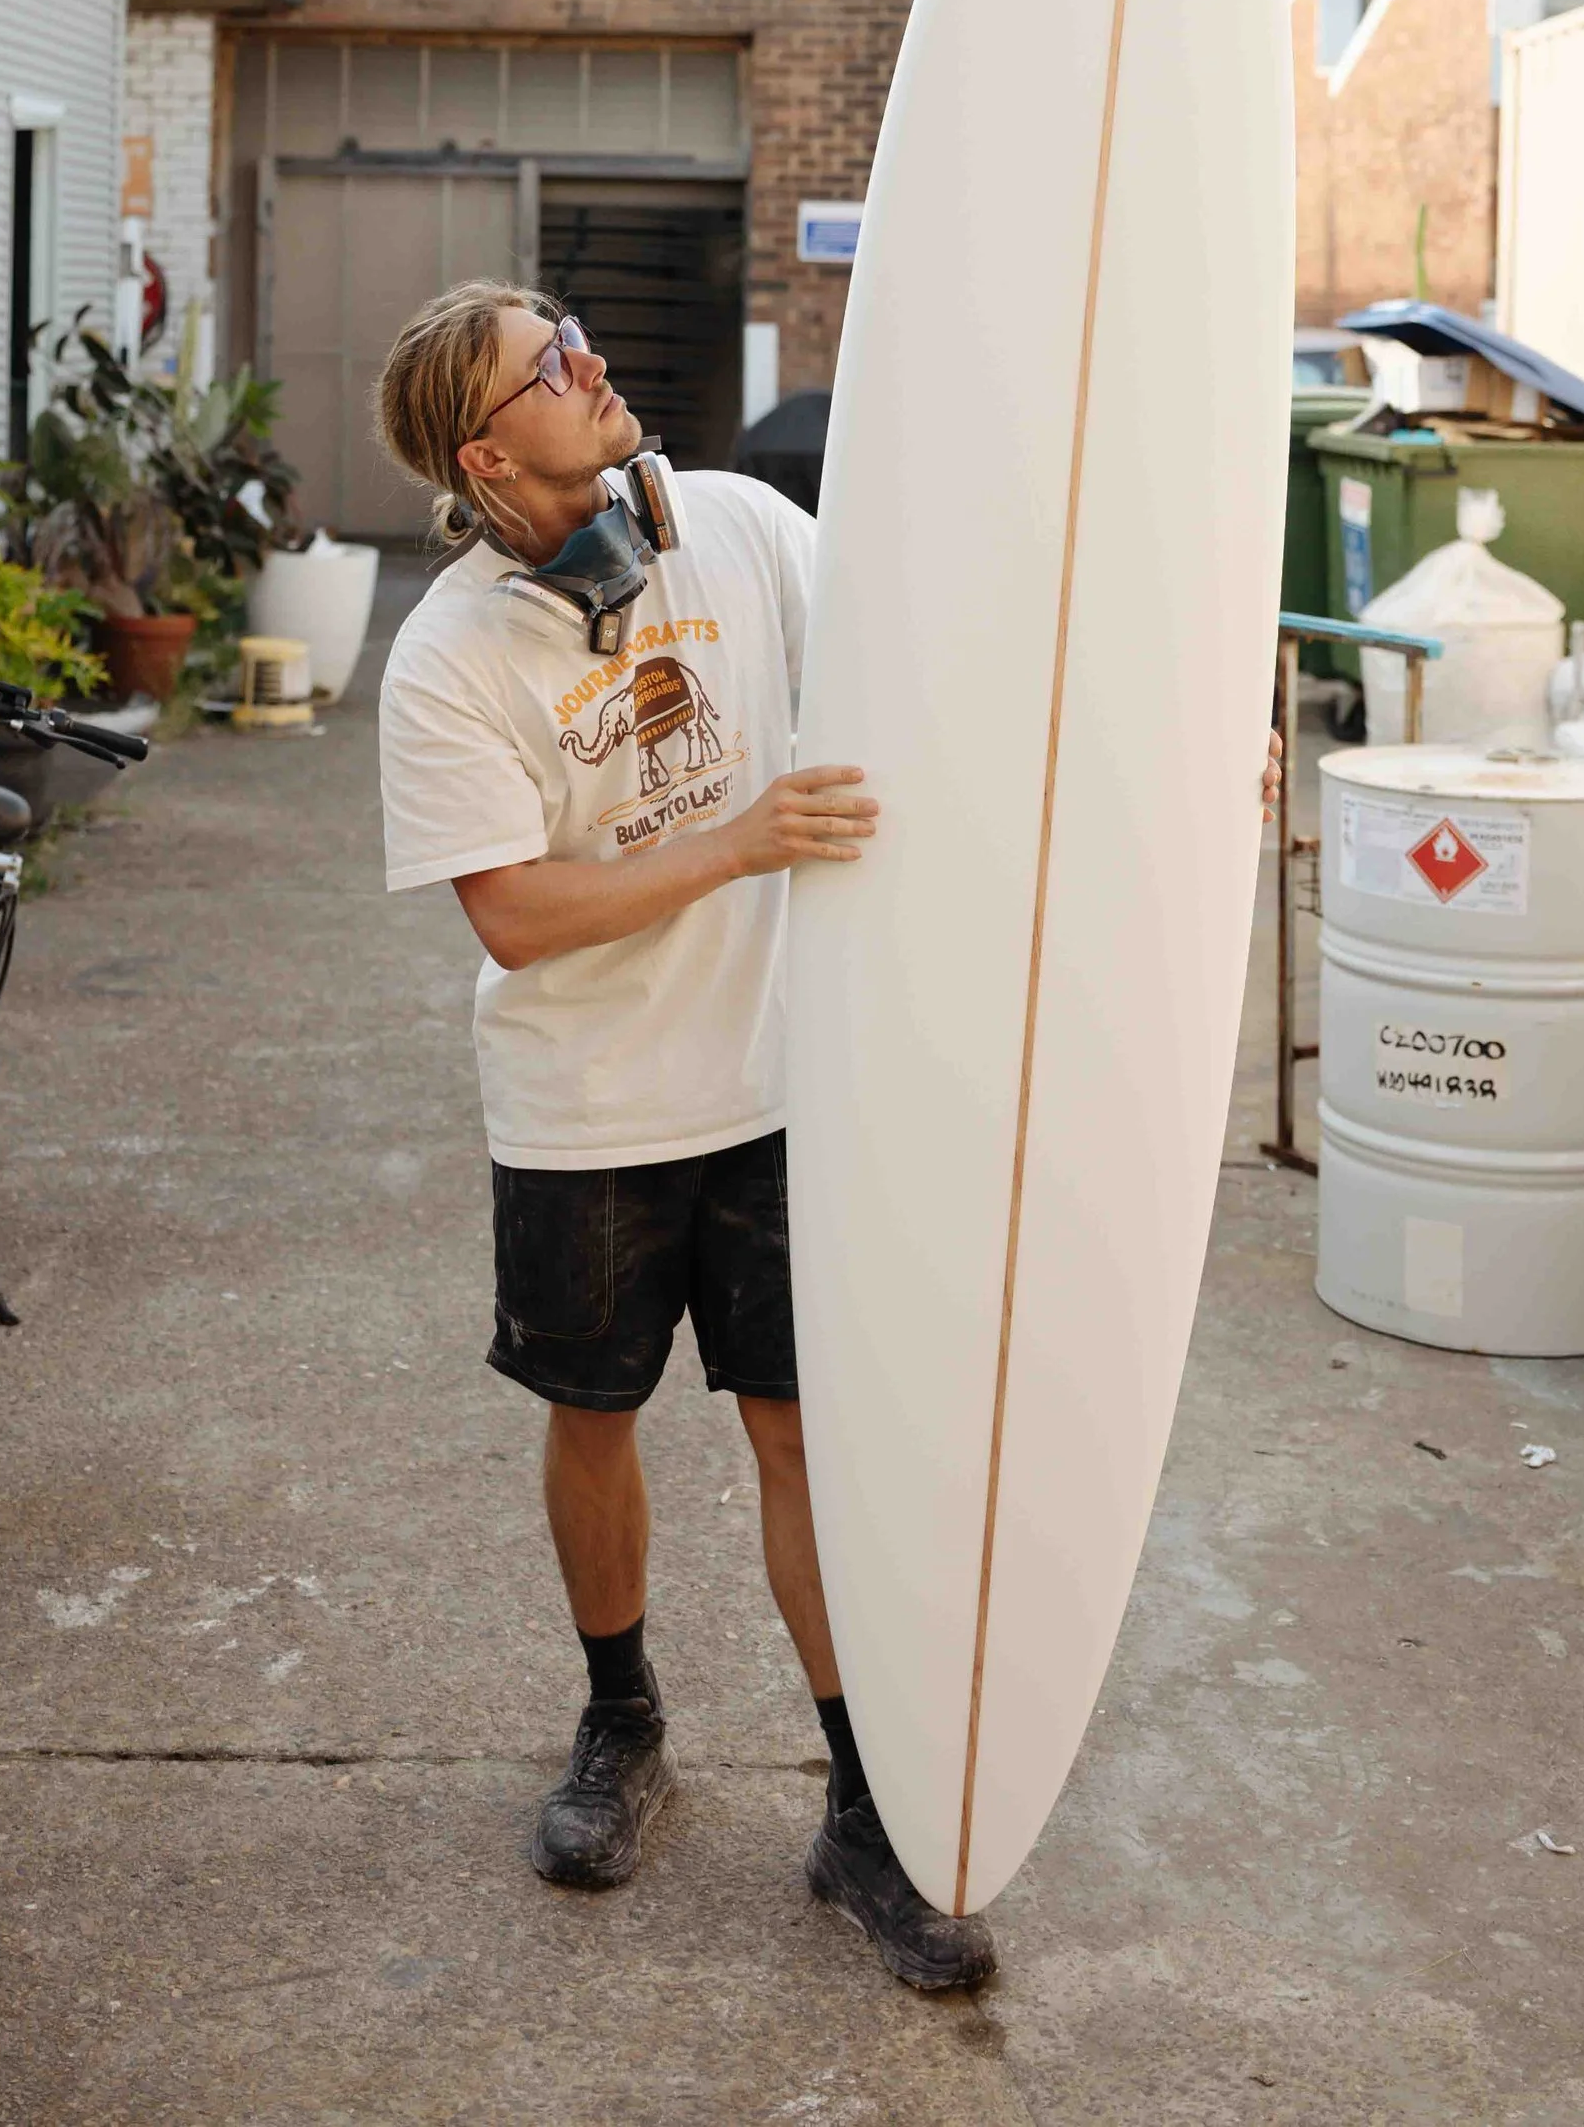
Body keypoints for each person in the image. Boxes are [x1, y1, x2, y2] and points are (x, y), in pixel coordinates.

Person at [375, 280, 1283, 1995]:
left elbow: (944, 662)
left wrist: (1157, 755)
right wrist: (740, 841)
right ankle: (622, 1719)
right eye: (546, 366)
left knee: (805, 1437)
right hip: (587, 1110)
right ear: (491, 452)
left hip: (791, 1086)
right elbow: (512, 912)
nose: (592, 362)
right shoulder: (450, 658)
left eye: (577, 333)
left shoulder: (732, 527)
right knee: (595, 1412)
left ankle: (864, 1807)